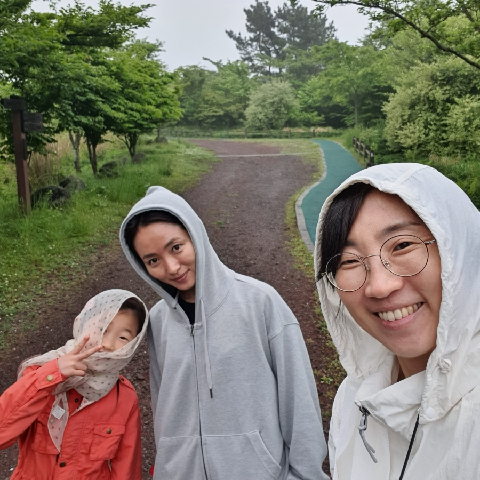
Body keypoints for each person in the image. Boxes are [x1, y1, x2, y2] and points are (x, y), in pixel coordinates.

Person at [120, 186, 328, 480]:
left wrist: (305, 475)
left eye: (176, 247)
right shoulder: (158, 320)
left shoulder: (260, 302)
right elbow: (163, 407)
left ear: (195, 235)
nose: (172, 267)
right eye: (153, 260)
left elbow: (299, 401)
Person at [314, 162, 480, 479]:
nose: (379, 285)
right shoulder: (353, 398)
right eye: (349, 261)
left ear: (458, 247)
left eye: (402, 245)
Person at [0, 289, 148, 480]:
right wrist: (51, 375)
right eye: (102, 329)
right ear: (84, 323)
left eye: (123, 338)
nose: (108, 344)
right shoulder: (39, 375)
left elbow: (126, 468)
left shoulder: (125, 398)